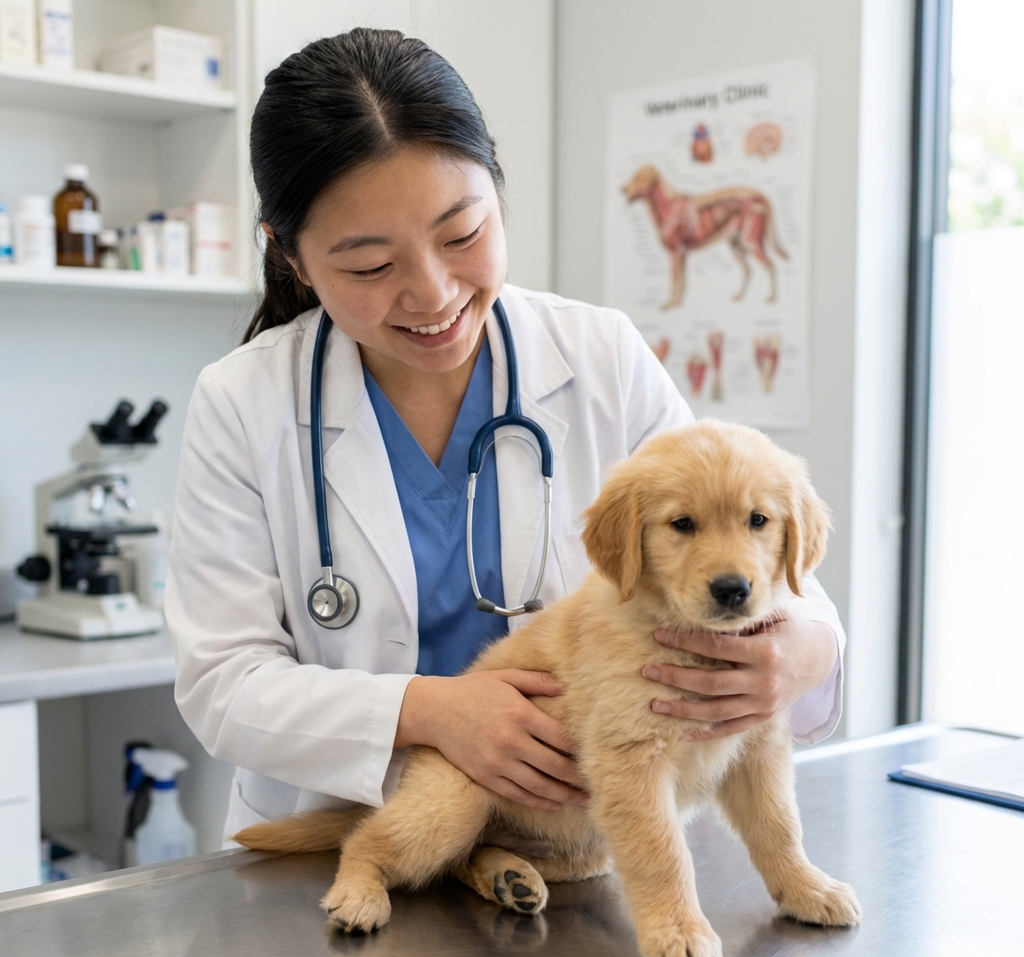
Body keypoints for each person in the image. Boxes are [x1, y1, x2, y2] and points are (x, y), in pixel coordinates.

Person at [165, 28, 844, 840]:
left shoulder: (601, 356)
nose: (433, 292)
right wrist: (430, 712)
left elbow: (753, 552)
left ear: (496, 186)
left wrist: (807, 653)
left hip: (580, 837)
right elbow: (222, 683)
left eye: (462, 234)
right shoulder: (244, 401)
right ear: (296, 260)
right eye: (371, 266)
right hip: (348, 839)